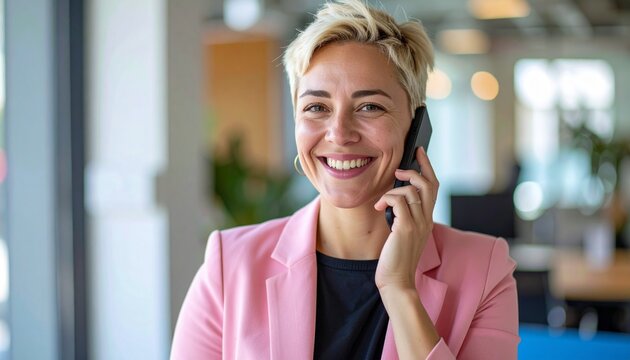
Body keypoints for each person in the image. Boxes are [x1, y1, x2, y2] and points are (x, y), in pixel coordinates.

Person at [170, 0, 519, 359]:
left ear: (416, 128)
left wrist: (400, 289)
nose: (339, 133)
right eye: (316, 107)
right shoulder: (231, 265)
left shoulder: (485, 270)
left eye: (370, 106)